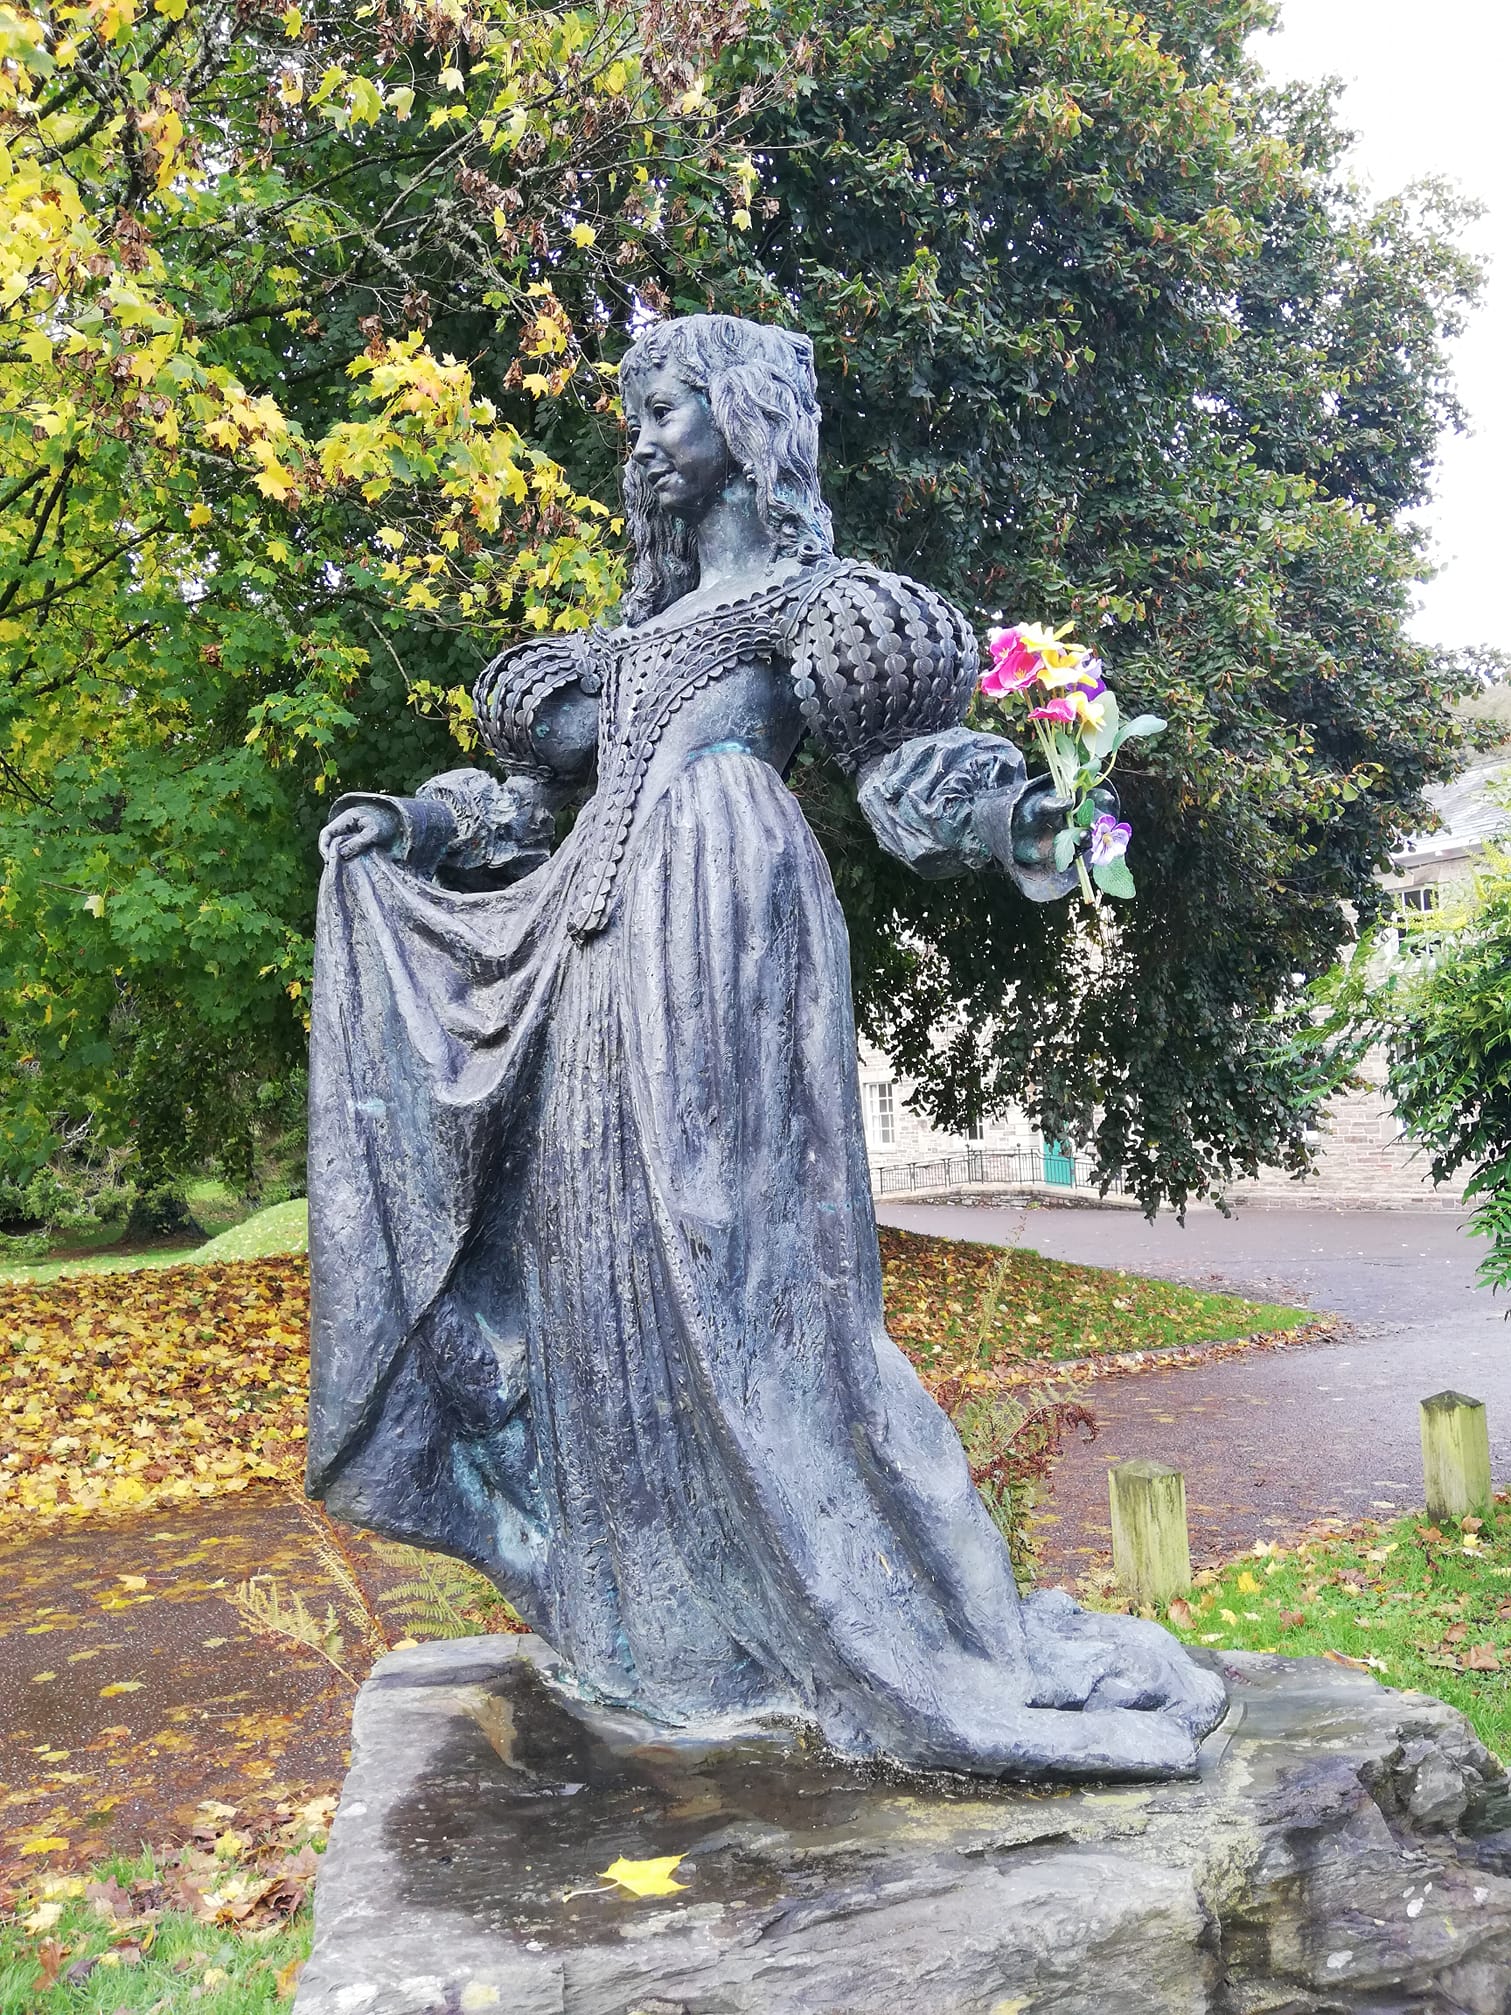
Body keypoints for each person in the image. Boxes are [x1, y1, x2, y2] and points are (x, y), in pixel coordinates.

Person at [309, 313, 1224, 1778]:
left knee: (744, 1271)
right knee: (598, 1260)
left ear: (744, 420)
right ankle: (668, 1637)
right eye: (638, 415)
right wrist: (412, 826)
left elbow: (909, 777)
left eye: (667, 407)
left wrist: (1022, 810)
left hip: (727, 926)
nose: (645, 439)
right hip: (589, 959)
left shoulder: (822, 607)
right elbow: (530, 808)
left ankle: (861, 1626)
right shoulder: (623, 646)